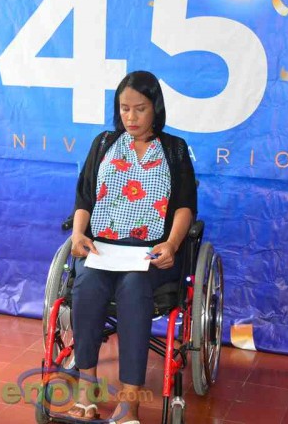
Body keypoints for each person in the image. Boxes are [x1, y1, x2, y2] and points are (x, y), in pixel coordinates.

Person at [67, 71, 197, 423]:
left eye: (140, 109)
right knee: (86, 284)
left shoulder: (174, 149)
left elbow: (185, 205)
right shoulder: (104, 143)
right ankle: (87, 390)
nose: (131, 117)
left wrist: (172, 244)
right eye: (125, 108)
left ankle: (129, 403)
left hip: (149, 253)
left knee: (134, 288)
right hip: (103, 248)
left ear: (155, 108)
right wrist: (78, 235)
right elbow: (84, 198)